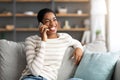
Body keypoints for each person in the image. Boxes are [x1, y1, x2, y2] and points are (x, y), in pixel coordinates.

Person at [20, 8, 83, 80]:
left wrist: (79, 48)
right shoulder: (31, 40)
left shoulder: (64, 38)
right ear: (41, 24)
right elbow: (35, 72)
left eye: (54, 19)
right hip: (31, 78)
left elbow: (76, 43)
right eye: (47, 21)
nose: (52, 24)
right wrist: (43, 41)